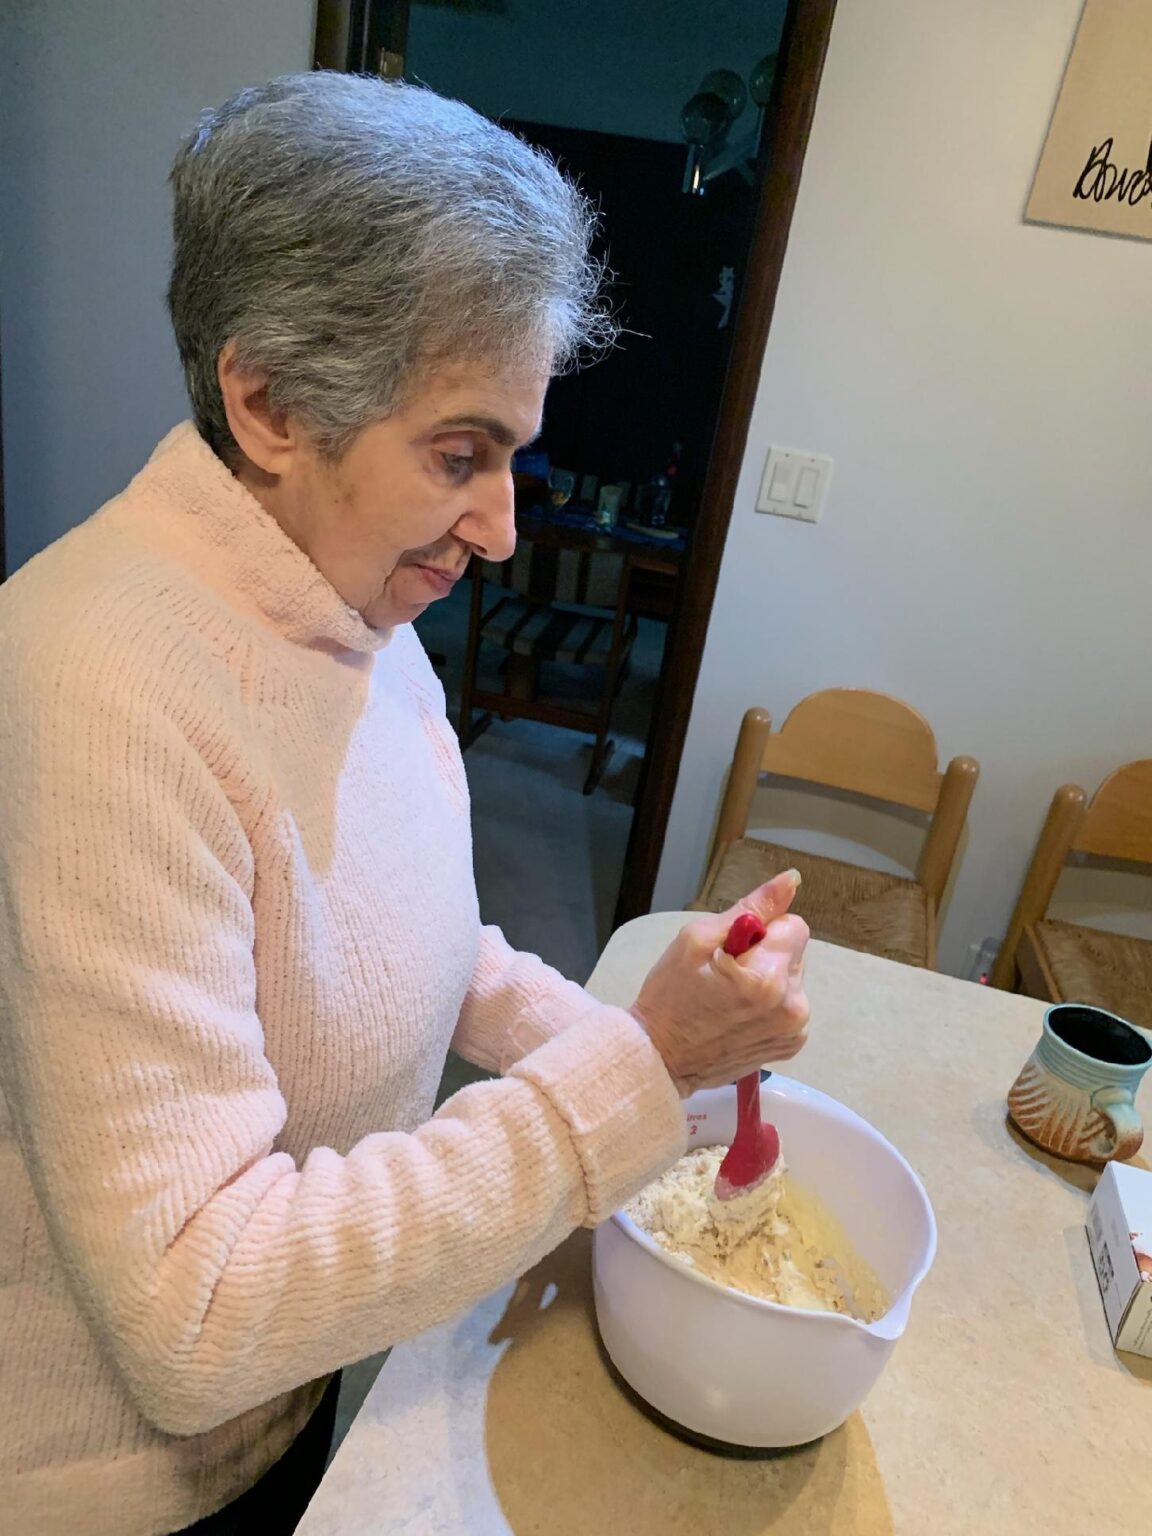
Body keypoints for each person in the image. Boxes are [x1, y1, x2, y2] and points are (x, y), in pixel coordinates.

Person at [0, 73, 810, 1536]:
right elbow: (196, 1312)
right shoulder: (94, 692)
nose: (503, 528)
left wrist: (654, 1058)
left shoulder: (347, 611)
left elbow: (414, 942)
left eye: (516, 452)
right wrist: (621, 1092)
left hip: (291, 1403)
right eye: (461, 453)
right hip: (123, 1490)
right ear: (269, 403)